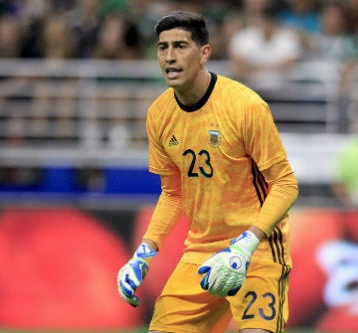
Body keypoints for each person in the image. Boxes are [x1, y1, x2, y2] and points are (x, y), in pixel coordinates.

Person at [117, 10, 299, 333]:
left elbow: (285, 184)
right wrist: (144, 253)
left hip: (257, 249)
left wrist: (247, 244)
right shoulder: (159, 115)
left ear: (204, 54)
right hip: (200, 251)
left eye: (180, 46)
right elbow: (173, 193)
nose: (170, 57)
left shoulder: (245, 107)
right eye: (163, 48)